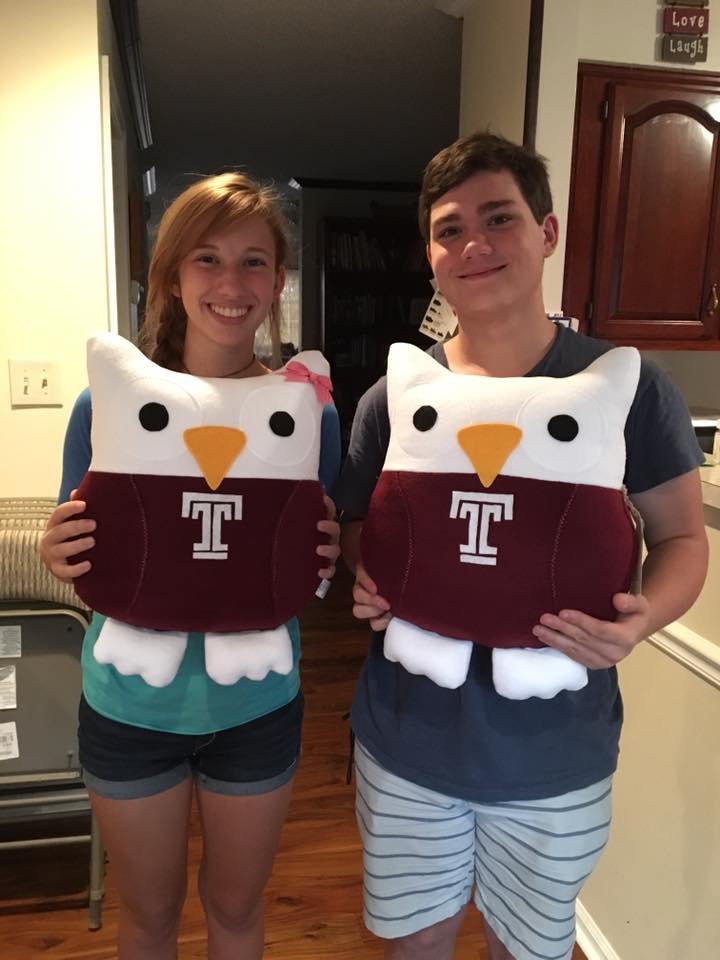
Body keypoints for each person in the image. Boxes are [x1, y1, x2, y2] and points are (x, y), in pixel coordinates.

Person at [336, 133, 708, 960]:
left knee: (528, 950)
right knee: (414, 946)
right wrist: (369, 572)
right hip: (406, 738)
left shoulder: (625, 386)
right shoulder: (395, 397)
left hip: (556, 750)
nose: (474, 243)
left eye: (498, 217)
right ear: (430, 256)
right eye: (449, 229)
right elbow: (361, 524)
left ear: (547, 232)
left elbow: (683, 536)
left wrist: (642, 620)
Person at [40, 172, 341, 960]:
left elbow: (304, 549)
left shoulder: (306, 410)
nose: (230, 284)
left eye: (252, 262)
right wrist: (56, 550)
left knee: (236, 910)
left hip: (258, 707)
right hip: (130, 709)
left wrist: (327, 556)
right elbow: (89, 543)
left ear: (278, 280)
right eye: (207, 258)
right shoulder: (106, 406)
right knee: (149, 916)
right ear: (172, 276)